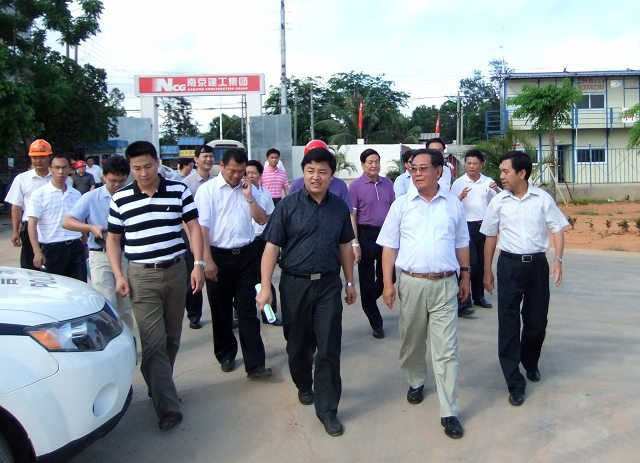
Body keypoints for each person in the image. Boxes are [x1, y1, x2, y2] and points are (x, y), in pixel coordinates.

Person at [256, 147, 357, 437]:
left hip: (328, 284)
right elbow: (272, 247)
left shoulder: (339, 207)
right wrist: (266, 286)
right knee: (298, 346)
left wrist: (350, 282)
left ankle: (327, 409)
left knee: (329, 347)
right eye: (311, 171)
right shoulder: (288, 205)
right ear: (303, 173)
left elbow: (345, 246)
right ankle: (303, 382)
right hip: (294, 284)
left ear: (331, 176)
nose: (316, 177)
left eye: (322, 172)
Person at [107, 141, 205, 431]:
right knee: (153, 341)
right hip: (141, 276)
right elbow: (113, 239)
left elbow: (194, 227)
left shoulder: (178, 190)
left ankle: (159, 385)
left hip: (175, 270)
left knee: (172, 338)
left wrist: (198, 264)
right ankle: (167, 406)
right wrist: (119, 275)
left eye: (148, 166)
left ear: (157, 162)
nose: (143, 173)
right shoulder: (121, 199)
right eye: (136, 168)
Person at [377, 148, 470, 439]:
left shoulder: (453, 205)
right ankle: (416, 380)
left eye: (422, 168)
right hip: (412, 283)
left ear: (438, 171)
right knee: (412, 342)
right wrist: (388, 283)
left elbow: (462, 242)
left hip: (445, 283)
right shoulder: (401, 205)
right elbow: (389, 246)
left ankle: (449, 411)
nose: (416, 174)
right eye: (413, 169)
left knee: (446, 350)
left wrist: (465, 275)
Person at [481, 150, 568, 407]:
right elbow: (490, 236)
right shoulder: (498, 201)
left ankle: (530, 361)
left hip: (537, 266)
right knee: (508, 324)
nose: (501, 176)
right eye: (501, 171)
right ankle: (514, 382)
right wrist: (487, 270)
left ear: (521, 173)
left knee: (536, 322)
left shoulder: (542, 199)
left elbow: (557, 228)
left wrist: (558, 260)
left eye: (506, 171)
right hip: (509, 265)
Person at [194, 148, 272, 379]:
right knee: (221, 310)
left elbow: (261, 219)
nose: (237, 175)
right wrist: (206, 260)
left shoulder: (249, 189)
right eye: (232, 171)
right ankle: (226, 354)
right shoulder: (207, 191)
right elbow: (202, 228)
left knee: (248, 311)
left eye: (241, 171)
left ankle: (255, 364)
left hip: (246, 256)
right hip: (217, 256)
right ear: (221, 166)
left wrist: (249, 196)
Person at [63, 156, 134, 330]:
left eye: (121, 181)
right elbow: (67, 222)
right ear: (103, 177)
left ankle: (128, 340)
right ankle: (110, 340)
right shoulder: (91, 197)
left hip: (127, 255)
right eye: (112, 181)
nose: (117, 185)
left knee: (126, 307)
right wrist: (90, 227)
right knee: (107, 303)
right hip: (101, 256)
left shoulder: (132, 196)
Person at [289, 140, 361, 264]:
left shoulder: (340, 185)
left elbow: (349, 215)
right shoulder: (296, 185)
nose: (316, 177)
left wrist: (354, 243)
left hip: (332, 243)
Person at [348, 148, 395, 339]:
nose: (374, 165)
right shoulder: (355, 186)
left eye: (377, 161)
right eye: (370, 162)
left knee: (389, 277)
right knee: (367, 280)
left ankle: (368, 300)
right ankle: (376, 323)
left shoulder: (387, 183)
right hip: (365, 234)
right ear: (362, 164)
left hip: (386, 234)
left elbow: (393, 211)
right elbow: (352, 215)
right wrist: (355, 243)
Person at [450, 149, 501, 312]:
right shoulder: (458, 183)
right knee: (470, 263)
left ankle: (479, 297)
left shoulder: (488, 182)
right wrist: (459, 197)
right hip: (465, 226)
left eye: (475, 163)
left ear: (481, 165)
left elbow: (500, 200)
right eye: (469, 163)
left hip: (483, 226)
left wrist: (497, 190)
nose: (471, 166)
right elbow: (450, 205)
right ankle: (464, 299)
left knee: (481, 263)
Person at [27, 154, 85, 281]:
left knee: (80, 287)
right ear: (50, 169)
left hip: (75, 247)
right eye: (57, 167)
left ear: (70, 170)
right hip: (52, 249)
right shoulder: (39, 194)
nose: (61, 171)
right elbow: (32, 224)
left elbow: (81, 221)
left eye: (64, 167)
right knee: (55, 288)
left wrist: (84, 244)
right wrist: (37, 251)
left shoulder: (76, 194)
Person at [6, 139, 57, 270]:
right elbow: (16, 207)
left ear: (49, 157)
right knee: (30, 267)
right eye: (34, 157)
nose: (38, 160)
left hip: (53, 228)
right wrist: (15, 231)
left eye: (42, 157)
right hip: (30, 227)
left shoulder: (59, 178)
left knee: (53, 268)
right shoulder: (22, 179)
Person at [181, 144, 216, 329]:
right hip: (192, 235)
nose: (208, 159)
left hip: (212, 234)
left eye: (211, 156)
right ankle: (194, 314)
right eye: (204, 156)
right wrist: (192, 241)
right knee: (193, 274)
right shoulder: (186, 184)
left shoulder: (217, 181)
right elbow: (183, 216)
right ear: (196, 160)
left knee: (214, 273)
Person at [245, 159, 281, 326]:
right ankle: (241, 313)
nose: (250, 176)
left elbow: (271, 216)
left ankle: (269, 314)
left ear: (260, 175)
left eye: (254, 173)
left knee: (264, 278)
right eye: (247, 173)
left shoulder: (265, 192)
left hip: (263, 239)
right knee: (247, 280)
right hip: (248, 241)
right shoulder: (241, 192)